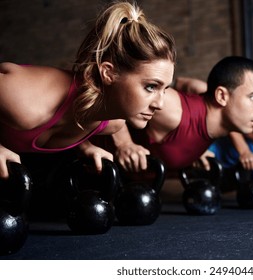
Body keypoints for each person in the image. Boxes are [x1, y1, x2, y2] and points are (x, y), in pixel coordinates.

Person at [0, 1, 176, 179]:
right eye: (151, 86)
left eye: (164, 89)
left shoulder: (112, 123)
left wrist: (84, 147)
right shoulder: (26, 102)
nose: (160, 104)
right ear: (108, 73)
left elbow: (64, 122)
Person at [109, 56, 253, 173]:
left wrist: (194, 151)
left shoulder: (213, 126)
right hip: (94, 168)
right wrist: (124, 143)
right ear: (221, 96)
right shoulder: (171, 109)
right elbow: (111, 91)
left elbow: (184, 83)